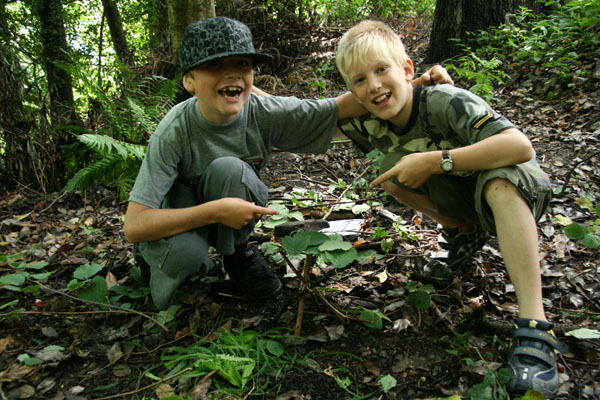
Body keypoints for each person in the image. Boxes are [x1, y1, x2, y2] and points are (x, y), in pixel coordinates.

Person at [123, 17, 449, 311]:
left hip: (225, 211)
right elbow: (135, 226)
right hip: (178, 219)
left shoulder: (263, 112)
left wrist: (413, 85)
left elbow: (336, 109)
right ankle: (156, 263)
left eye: (242, 63)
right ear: (189, 81)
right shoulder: (175, 129)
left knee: (230, 169)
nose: (232, 73)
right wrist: (215, 211)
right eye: (215, 66)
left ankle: (236, 256)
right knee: (185, 259)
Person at [334, 20, 568, 397]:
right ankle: (463, 230)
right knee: (390, 174)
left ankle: (535, 324)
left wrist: (436, 161)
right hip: (466, 194)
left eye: (382, 70)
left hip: (515, 187)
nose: (374, 85)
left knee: (498, 183)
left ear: (407, 70)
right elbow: (295, 117)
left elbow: (520, 146)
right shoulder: (368, 122)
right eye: (360, 80)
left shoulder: (446, 101)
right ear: (353, 93)